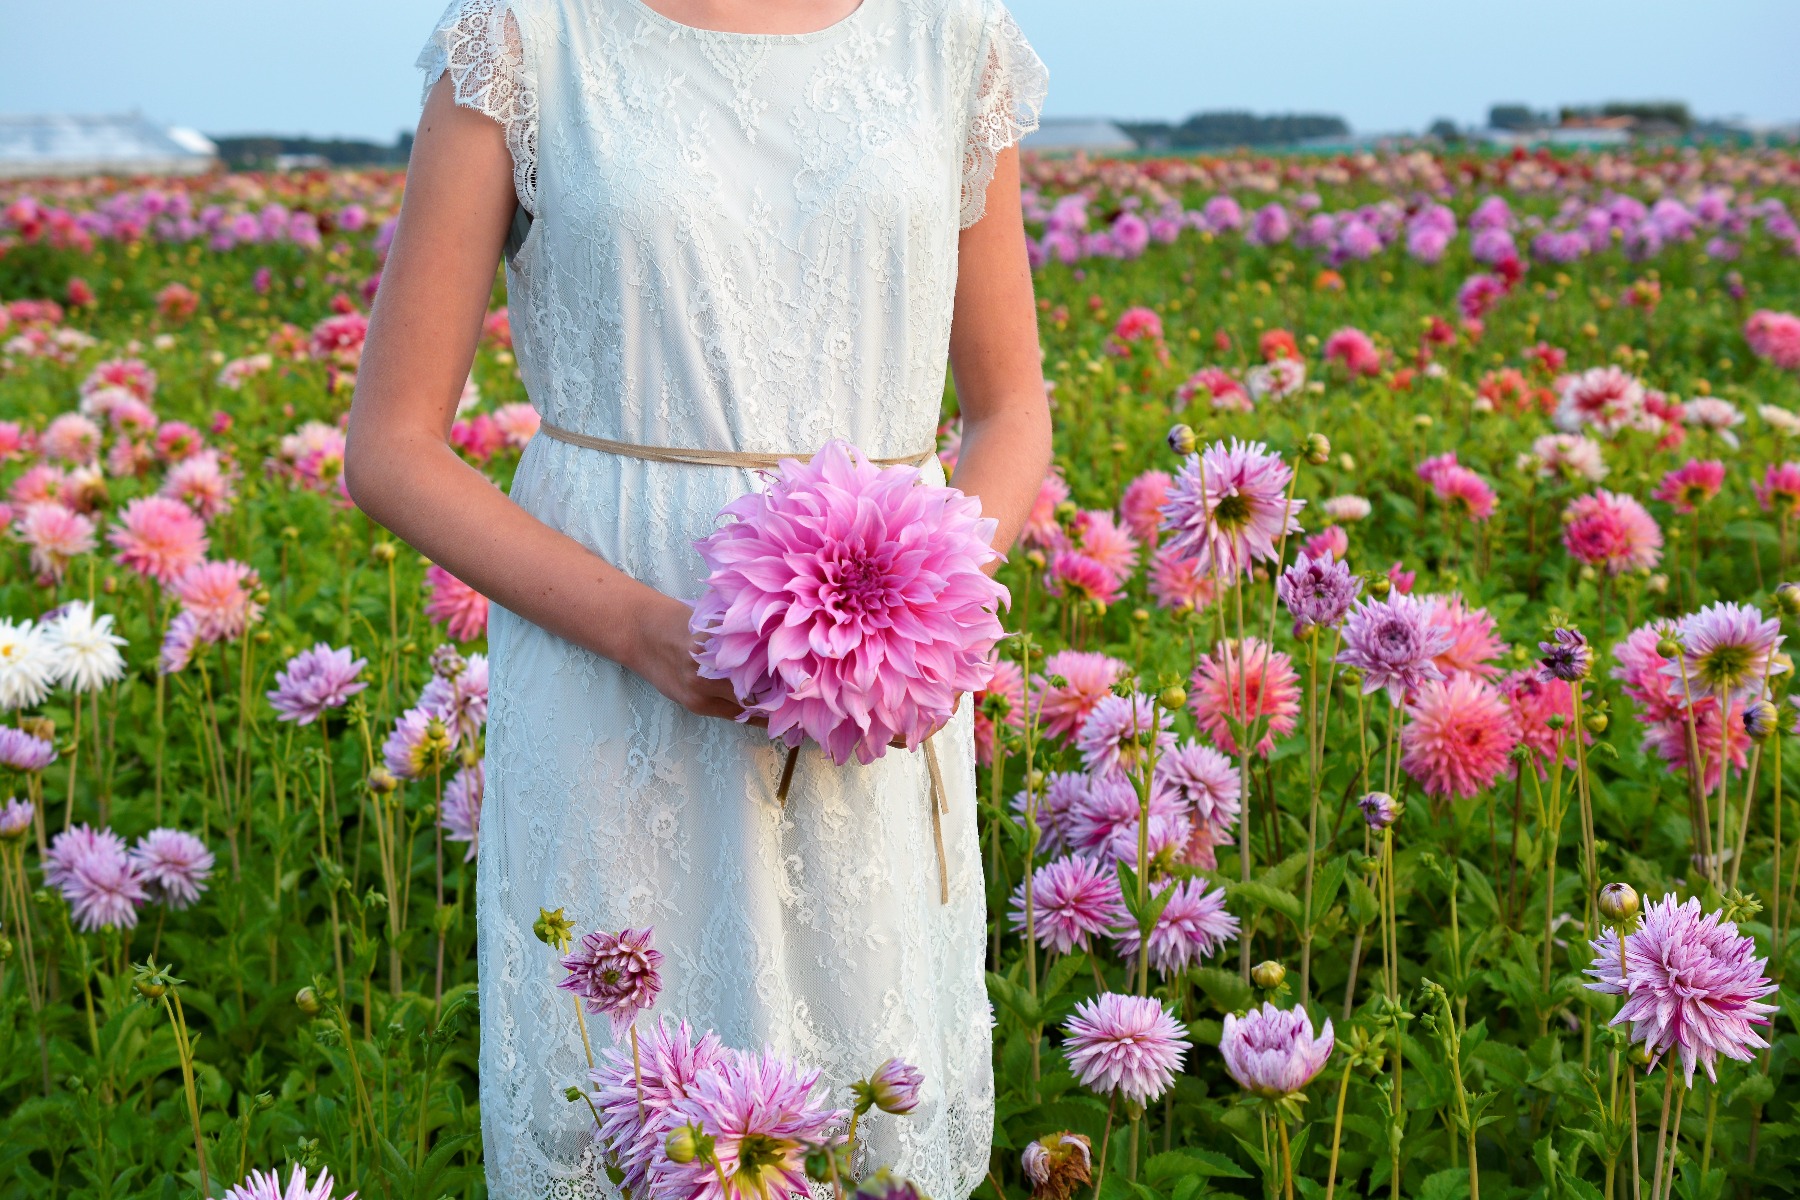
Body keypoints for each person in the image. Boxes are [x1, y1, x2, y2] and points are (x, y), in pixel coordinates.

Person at [344, 0, 1051, 1193]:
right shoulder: (527, 37)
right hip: (612, 685)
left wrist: (931, 603)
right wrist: (646, 632)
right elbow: (392, 446)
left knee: (862, 1125)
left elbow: (1010, 409)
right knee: (634, 1113)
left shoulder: (953, 36)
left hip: (875, 696)